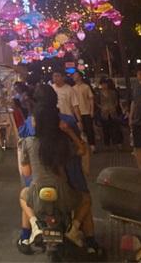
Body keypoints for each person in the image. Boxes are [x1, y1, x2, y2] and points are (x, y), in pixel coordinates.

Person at [17, 85, 103, 256]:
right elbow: (82, 150)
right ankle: (86, 238)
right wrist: (69, 132)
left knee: (25, 195)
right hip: (67, 187)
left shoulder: (29, 137)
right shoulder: (64, 134)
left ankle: (28, 233)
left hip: (37, 188)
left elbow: (25, 171)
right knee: (85, 198)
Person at [71, 71, 96, 153]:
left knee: (89, 129)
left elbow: (91, 99)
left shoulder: (86, 87)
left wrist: (92, 110)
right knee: (80, 130)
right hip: (77, 112)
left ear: (80, 77)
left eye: (76, 75)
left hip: (86, 111)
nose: (74, 77)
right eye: (73, 75)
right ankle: (83, 145)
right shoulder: (72, 88)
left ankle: (92, 145)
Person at [97, 78, 124, 149]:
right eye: (102, 84)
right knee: (105, 129)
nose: (104, 86)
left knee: (115, 128)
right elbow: (97, 103)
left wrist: (113, 107)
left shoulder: (113, 92)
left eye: (105, 84)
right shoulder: (99, 94)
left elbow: (116, 101)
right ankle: (107, 144)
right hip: (104, 113)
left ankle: (118, 143)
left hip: (113, 112)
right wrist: (102, 108)